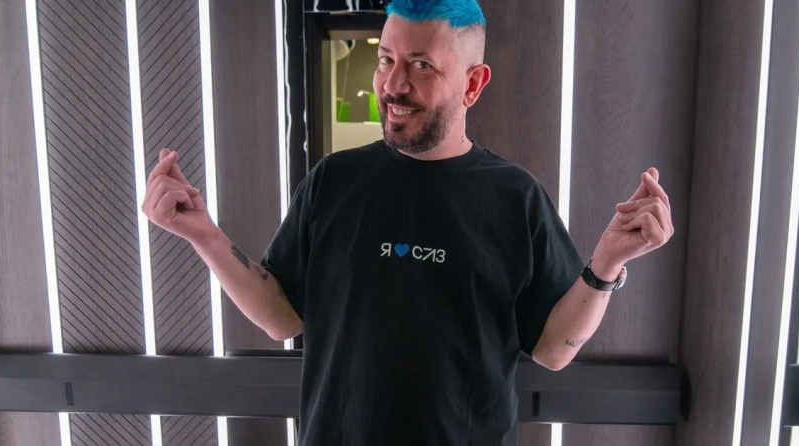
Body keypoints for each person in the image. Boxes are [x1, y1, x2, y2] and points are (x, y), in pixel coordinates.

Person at [141, 0, 674, 444]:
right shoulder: (333, 181)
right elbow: (281, 316)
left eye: (421, 66)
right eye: (385, 59)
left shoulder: (516, 198)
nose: (392, 85)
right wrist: (202, 233)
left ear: (472, 84)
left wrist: (607, 263)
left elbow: (554, 350)